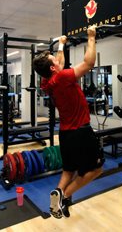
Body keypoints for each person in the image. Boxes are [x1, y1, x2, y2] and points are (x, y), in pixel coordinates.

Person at [33, 25, 101, 219]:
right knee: (95, 170)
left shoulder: (47, 82)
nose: (57, 59)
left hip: (65, 133)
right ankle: (63, 196)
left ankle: (55, 200)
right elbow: (88, 63)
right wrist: (91, 37)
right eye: (54, 59)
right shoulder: (62, 77)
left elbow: (59, 63)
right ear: (54, 68)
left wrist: (61, 46)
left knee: (68, 171)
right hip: (81, 132)